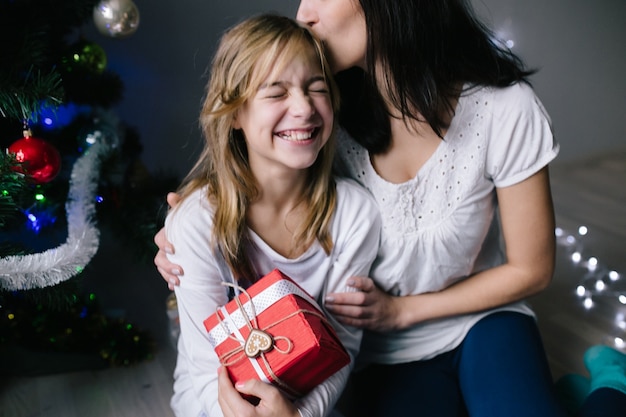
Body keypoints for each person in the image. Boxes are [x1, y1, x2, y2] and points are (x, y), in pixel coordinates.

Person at [156, 1, 626, 416]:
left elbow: (533, 268)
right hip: (384, 353)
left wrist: (403, 310)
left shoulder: (503, 109)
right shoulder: (324, 121)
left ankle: (609, 386)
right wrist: (182, 230)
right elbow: (255, 172)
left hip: (482, 321)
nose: (303, 13)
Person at [163, 14, 381, 417]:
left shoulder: (354, 214)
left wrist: (297, 415)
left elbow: (341, 346)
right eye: (275, 93)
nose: (303, 107)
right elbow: (204, 367)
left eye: (316, 88)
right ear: (234, 115)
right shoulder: (195, 222)